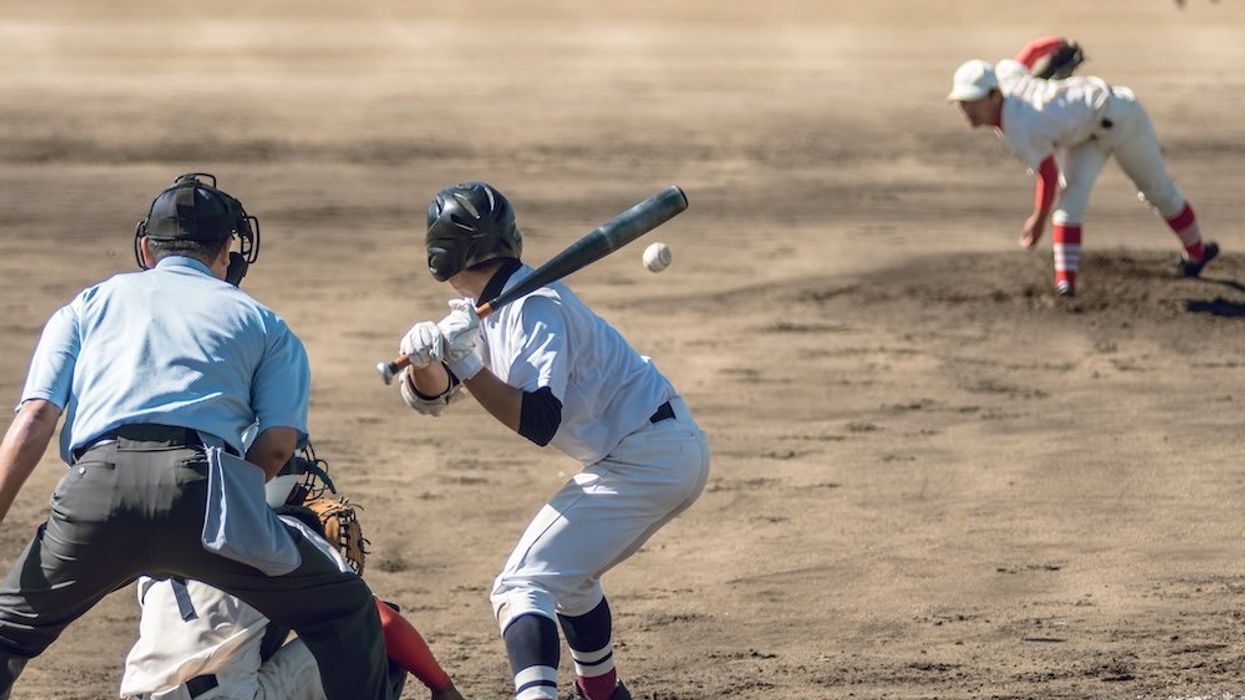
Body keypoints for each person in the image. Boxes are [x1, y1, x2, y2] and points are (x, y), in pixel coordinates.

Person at [0, 173, 392, 700]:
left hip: (93, 497)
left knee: (7, 633)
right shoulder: (263, 322)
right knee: (346, 610)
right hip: (204, 496)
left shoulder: (88, 304)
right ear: (230, 250)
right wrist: (238, 514)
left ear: (146, 247)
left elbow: (33, 422)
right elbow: (277, 444)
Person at [394, 182, 711, 700]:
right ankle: (603, 692)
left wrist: (465, 362)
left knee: (521, 585)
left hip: (649, 455)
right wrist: (432, 362)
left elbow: (539, 419)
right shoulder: (481, 309)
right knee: (569, 577)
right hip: (645, 452)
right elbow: (430, 400)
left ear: (440, 253)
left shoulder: (532, 305)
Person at [120, 449, 465, 700]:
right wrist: (443, 688)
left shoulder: (173, 530)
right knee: (368, 637)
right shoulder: (281, 538)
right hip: (226, 695)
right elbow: (382, 622)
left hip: (142, 691)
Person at [947, 36, 1219, 297]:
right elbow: (1031, 51)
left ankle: (1196, 254)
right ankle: (1065, 285)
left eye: (971, 102)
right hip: (1082, 140)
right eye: (962, 102)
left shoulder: (1019, 127)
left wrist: (1038, 221)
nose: (965, 110)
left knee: (1158, 192)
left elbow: (1049, 176)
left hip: (1122, 117)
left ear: (995, 96)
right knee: (1069, 206)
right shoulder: (1004, 78)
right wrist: (1060, 42)